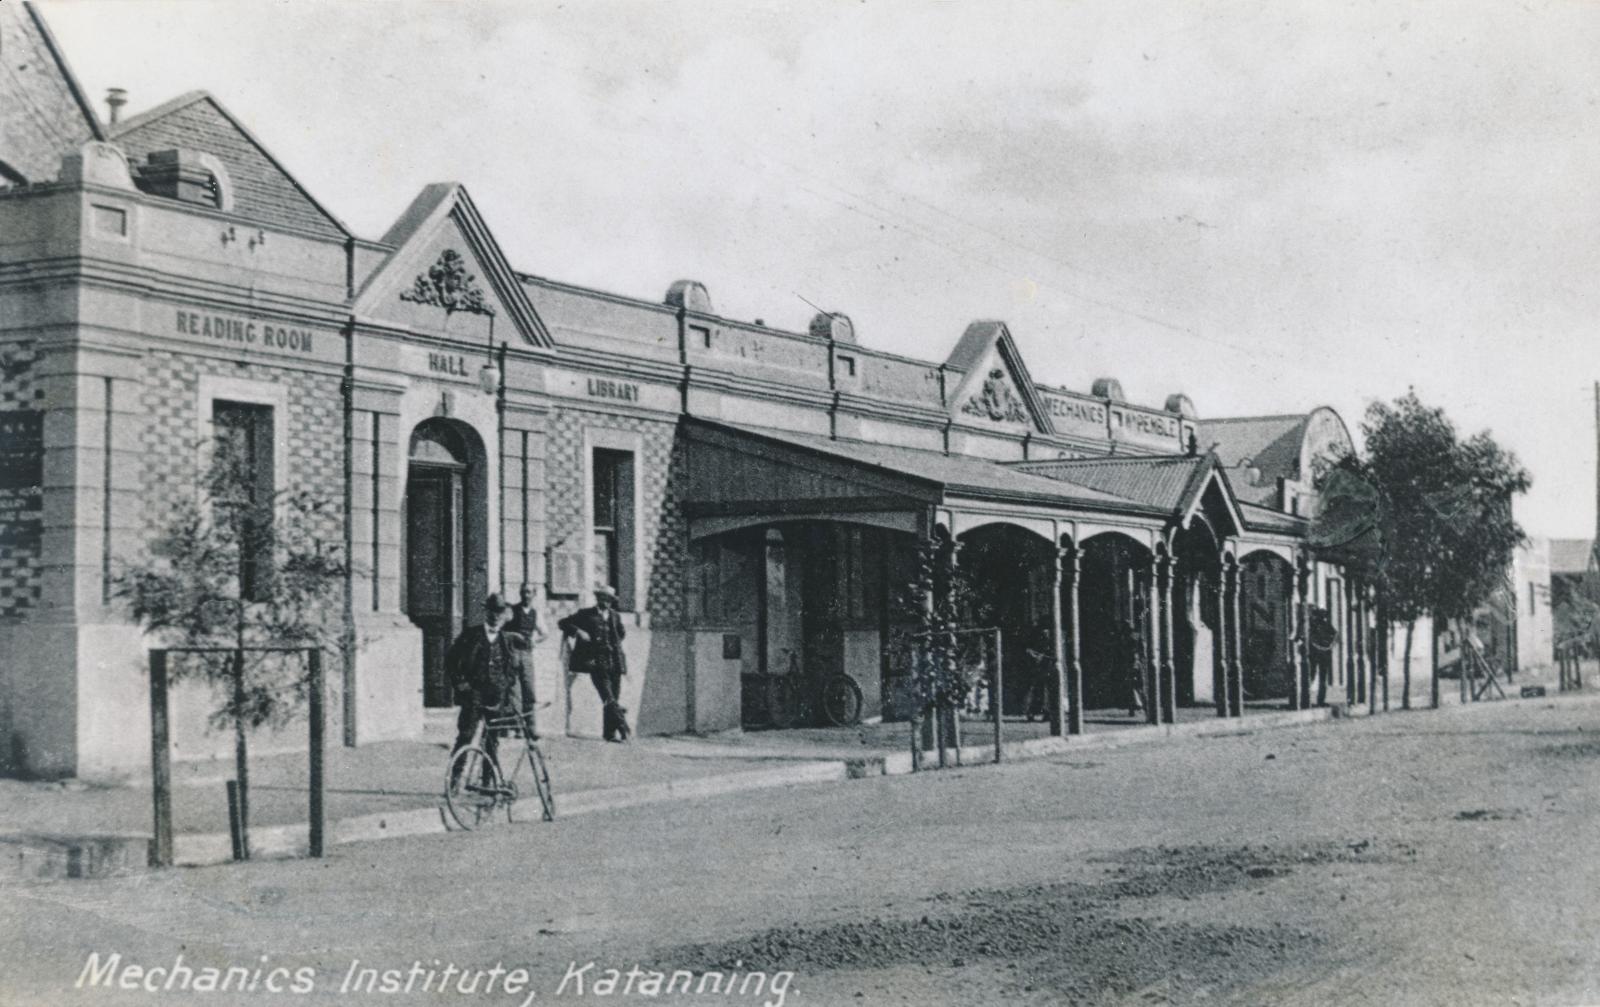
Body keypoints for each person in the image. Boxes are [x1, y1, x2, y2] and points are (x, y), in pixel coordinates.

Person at [447, 593, 536, 785]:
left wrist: (505, 685)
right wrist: (461, 683)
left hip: (495, 698)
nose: (495, 616)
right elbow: (451, 661)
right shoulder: (471, 635)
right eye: (492, 612)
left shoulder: (505, 640)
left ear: (504, 615)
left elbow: (511, 669)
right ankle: (454, 781)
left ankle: (488, 782)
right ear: (485, 612)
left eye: (499, 612)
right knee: (466, 737)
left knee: (492, 741)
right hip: (473, 696)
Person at [559, 584, 631, 742]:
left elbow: (621, 634)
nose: (606, 602)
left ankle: (609, 734)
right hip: (596, 662)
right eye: (603, 598)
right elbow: (563, 623)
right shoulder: (586, 614)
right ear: (598, 598)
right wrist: (579, 632)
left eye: (609, 599)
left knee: (613, 698)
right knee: (608, 696)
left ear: (612, 601)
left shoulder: (615, 616)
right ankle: (623, 726)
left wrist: (613, 646)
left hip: (614, 661)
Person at [1116, 618, 1146, 718]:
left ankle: (1138, 708)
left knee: (1134, 687)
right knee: (1136, 687)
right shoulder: (1133, 636)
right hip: (1134, 663)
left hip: (1133, 664)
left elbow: (1136, 650)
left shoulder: (1128, 637)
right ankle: (1138, 708)